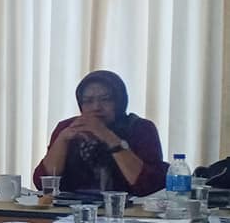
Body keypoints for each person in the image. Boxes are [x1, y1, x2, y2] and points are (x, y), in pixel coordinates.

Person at [34, 70, 167, 196]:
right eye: (88, 101)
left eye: (105, 99)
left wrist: (108, 136)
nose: (96, 107)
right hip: (69, 209)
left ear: (119, 101)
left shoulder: (141, 129)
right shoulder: (67, 127)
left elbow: (150, 186)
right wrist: (62, 140)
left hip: (124, 209)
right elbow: (43, 184)